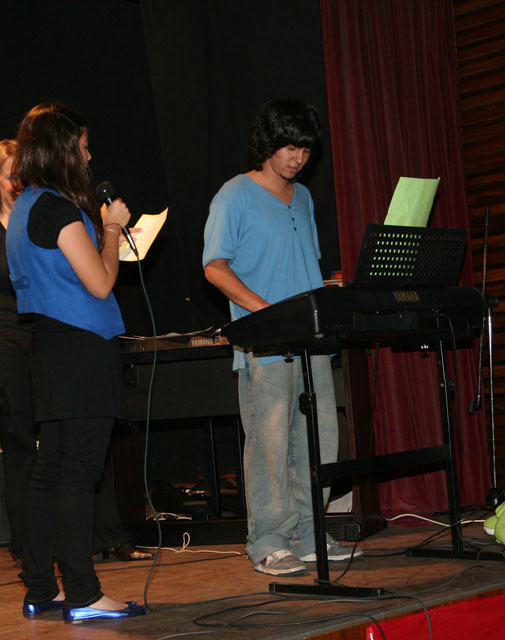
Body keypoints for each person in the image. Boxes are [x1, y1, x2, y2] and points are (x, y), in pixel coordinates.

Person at [203, 98, 363, 576]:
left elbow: (302, 268)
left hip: (312, 341)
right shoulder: (234, 195)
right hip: (266, 345)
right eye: (290, 147)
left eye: (306, 150)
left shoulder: (305, 198)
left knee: (320, 440)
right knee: (269, 446)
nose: (298, 158)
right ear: (268, 144)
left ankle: (310, 533)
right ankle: (268, 541)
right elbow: (214, 267)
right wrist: (268, 313)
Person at [6, 103, 146, 622]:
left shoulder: (25, 206)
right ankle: (84, 594)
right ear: (63, 150)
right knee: (78, 474)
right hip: (81, 350)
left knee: (50, 472)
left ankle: (42, 589)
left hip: (50, 347)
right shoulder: (58, 210)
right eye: (83, 148)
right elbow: (101, 282)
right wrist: (110, 229)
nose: (89, 157)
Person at [0, 140, 36, 564]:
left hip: (41, 332)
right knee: (19, 439)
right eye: (10, 174)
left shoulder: (33, 218)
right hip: (5, 336)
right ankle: (26, 541)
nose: (17, 182)